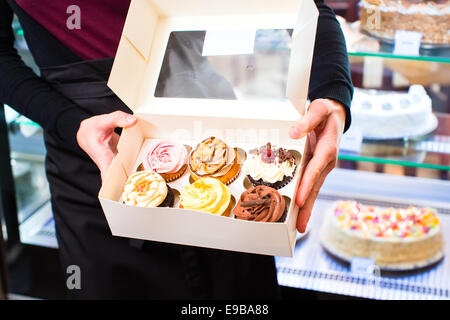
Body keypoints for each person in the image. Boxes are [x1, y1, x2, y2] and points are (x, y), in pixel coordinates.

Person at [0, 0, 353, 299]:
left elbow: (307, 8)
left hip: (211, 124)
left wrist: (333, 93)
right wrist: (68, 121)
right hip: (90, 160)